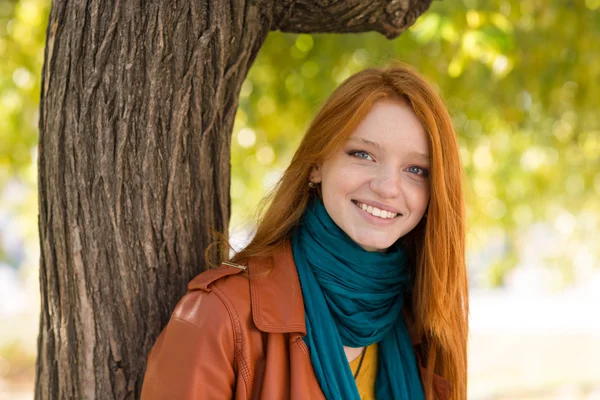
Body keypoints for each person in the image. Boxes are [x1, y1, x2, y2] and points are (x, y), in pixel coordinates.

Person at [141, 63, 468, 400]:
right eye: (363, 154)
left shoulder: (423, 324)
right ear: (316, 165)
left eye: (416, 169)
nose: (387, 187)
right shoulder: (220, 317)